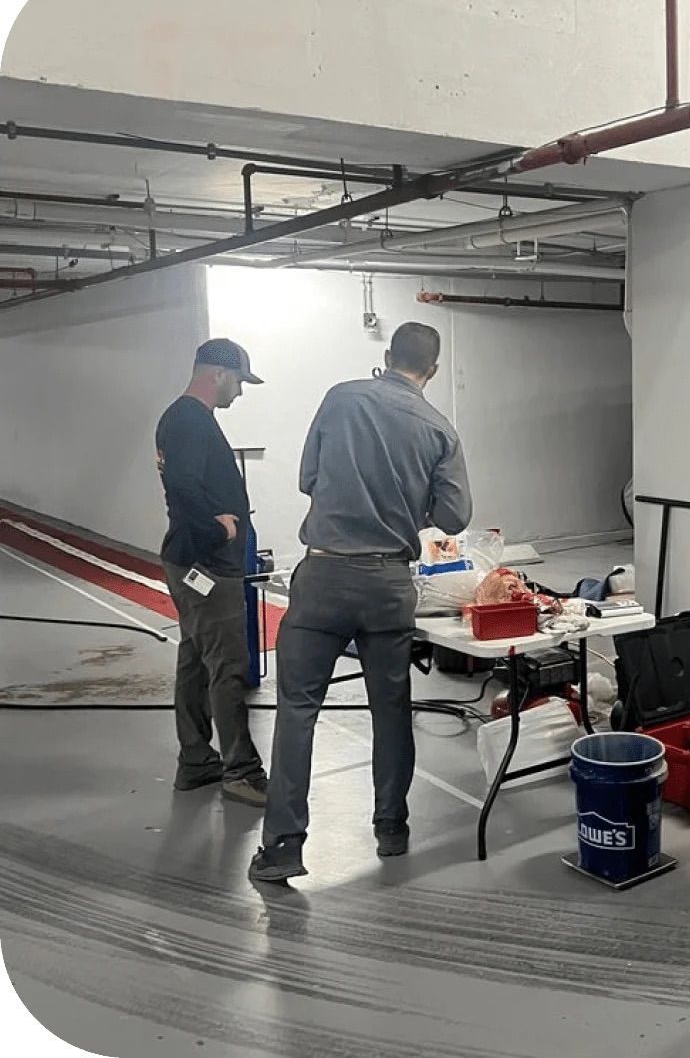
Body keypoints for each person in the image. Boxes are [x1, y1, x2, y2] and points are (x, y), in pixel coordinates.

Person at [250, 322, 472, 882]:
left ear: (388, 356)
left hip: (323, 575)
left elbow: (307, 478)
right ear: (434, 371)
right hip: (387, 586)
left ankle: (282, 847)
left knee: (298, 710)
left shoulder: (340, 397)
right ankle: (391, 829)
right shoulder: (439, 428)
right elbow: (455, 518)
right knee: (390, 710)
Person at [156, 338, 268, 806]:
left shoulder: (188, 419)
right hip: (204, 565)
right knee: (228, 666)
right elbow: (181, 484)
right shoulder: (188, 420)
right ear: (218, 374)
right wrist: (215, 530)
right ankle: (240, 771)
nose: (239, 393)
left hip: (196, 562)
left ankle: (198, 761)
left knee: (196, 661)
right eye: (239, 382)